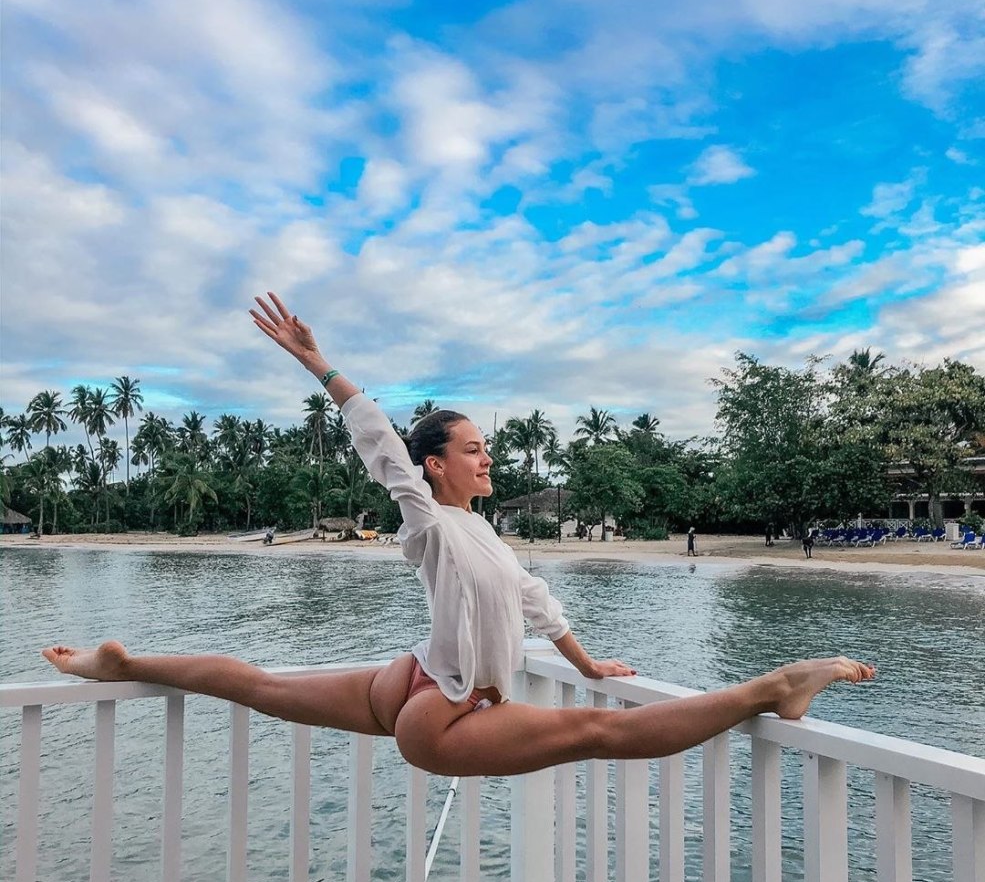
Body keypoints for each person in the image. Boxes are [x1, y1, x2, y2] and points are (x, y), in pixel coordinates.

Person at [41, 293, 874, 779]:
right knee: (599, 732)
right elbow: (376, 439)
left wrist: (587, 663)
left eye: (485, 448)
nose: (487, 458)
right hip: (436, 714)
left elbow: (533, 601)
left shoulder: (484, 536)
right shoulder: (426, 515)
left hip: (415, 681)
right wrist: (316, 363)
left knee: (258, 683)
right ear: (434, 466)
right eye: (472, 449)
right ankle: (772, 686)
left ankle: (124, 662)